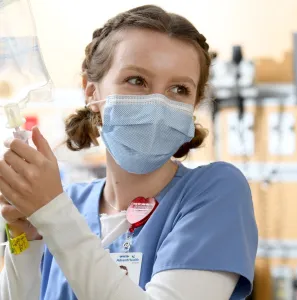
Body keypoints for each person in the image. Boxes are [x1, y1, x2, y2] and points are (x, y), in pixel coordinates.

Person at [0, 5, 258, 300]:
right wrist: (24, 239)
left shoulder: (215, 193)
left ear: (194, 105)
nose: (158, 104)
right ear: (91, 92)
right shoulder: (72, 203)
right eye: (137, 81)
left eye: (179, 89)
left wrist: (52, 211)